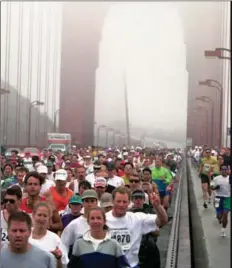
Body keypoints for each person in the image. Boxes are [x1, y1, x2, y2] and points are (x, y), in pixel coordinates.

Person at [106, 186, 168, 268]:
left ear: (129, 202)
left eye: (124, 202)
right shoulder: (103, 219)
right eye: (118, 201)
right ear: (113, 201)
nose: (121, 205)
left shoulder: (137, 218)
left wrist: (158, 206)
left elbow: (163, 221)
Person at [29, 202, 68, 267]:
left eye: (45, 216)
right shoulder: (25, 234)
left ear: (49, 219)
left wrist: (58, 258)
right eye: (39, 215)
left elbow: (63, 265)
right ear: (33, 215)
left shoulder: (55, 239)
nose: (41, 219)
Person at [61, 190, 98, 254]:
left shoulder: (103, 222)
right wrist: (67, 262)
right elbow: (63, 245)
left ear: (97, 202)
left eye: (92, 201)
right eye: (86, 201)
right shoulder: (74, 224)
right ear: (82, 203)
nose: (89, 204)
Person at [210, 165, 231, 237]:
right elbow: (211, 186)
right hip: (218, 198)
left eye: (225, 169)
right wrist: (215, 187)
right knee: (219, 216)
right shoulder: (216, 178)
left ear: (227, 170)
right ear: (220, 170)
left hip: (227, 198)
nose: (224, 171)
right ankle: (218, 217)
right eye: (222, 169)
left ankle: (223, 230)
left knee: (225, 214)